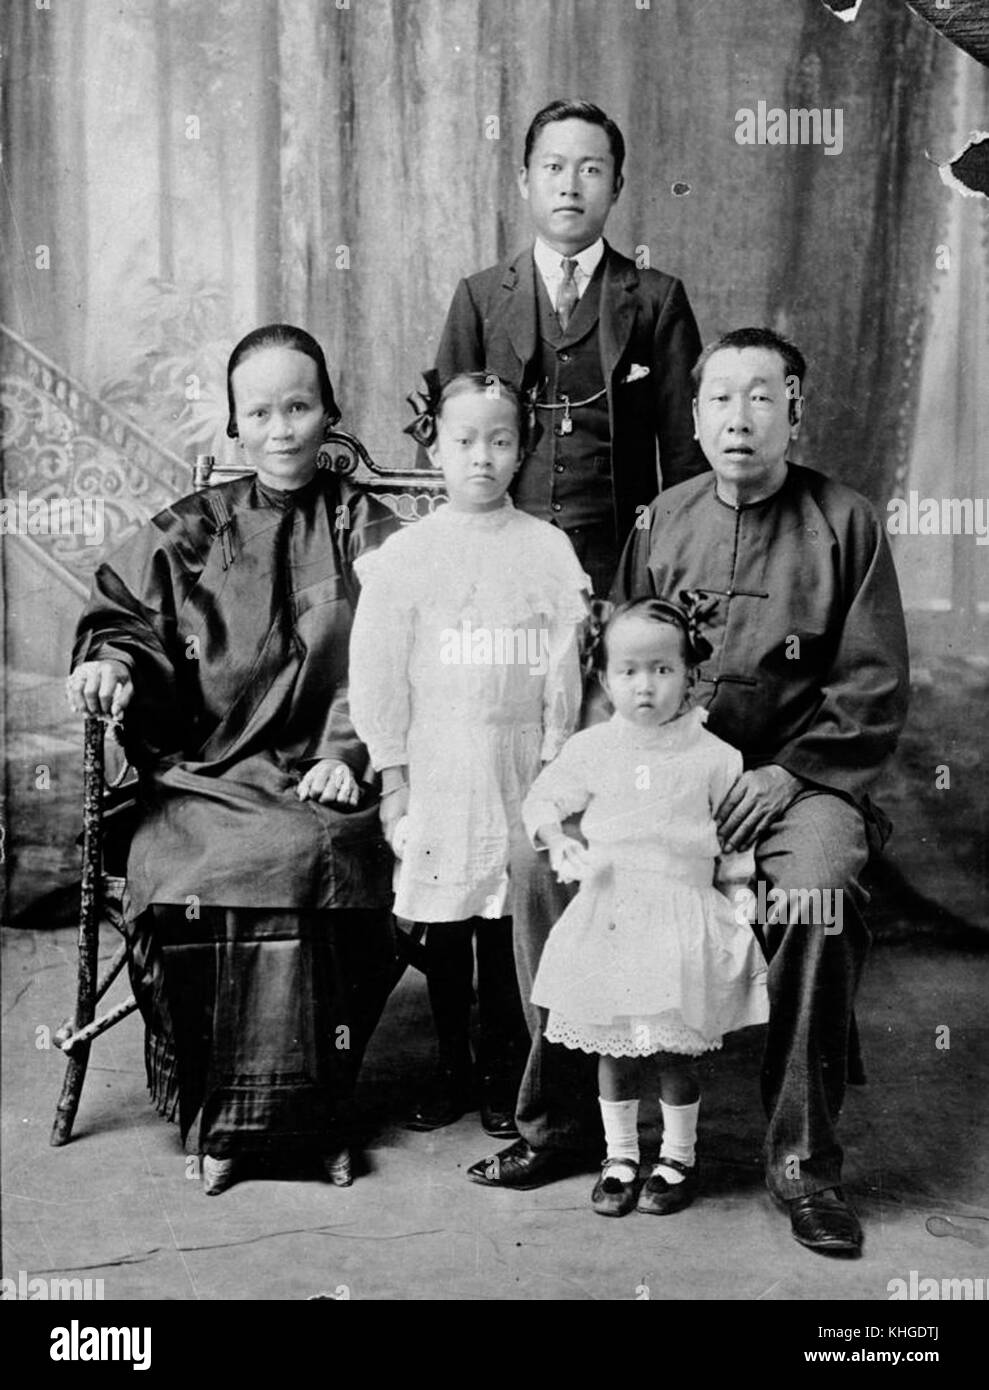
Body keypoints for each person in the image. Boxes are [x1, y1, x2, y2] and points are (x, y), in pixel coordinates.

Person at [67, 324, 399, 1195]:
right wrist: (110, 664)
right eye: (261, 411)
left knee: (317, 854)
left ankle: (310, 1117)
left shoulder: (369, 527)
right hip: (201, 779)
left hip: (334, 776)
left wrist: (349, 751)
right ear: (234, 426)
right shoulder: (188, 531)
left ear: (329, 412)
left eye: (299, 406)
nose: (283, 428)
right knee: (198, 865)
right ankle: (221, 1115)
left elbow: (406, 652)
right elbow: (126, 623)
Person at [606, 326, 910, 1253]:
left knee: (815, 894)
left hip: (801, 775)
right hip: (668, 772)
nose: (739, 418)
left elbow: (871, 684)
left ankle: (802, 1165)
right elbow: (614, 667)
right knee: (546, 868)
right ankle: (569, 1127)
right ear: (693, 416)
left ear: (794, 412)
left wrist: (787, 775)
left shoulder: (845, 521)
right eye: (719, 399)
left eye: (761, 398)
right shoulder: (661, 520)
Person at [348, 373, 589, 1138]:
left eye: (499, 440)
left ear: (522, 450)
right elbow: (380, 670)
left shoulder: (546, 548)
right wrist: (393, 776)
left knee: (505, 919)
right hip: (439, 761)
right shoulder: (408, 555)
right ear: (434, 446)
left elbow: (562, 670)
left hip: (519, 762)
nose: (480, 457)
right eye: (463, 441)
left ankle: (502, 1068)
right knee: (445, 924)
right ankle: (450, 1064)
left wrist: (555, 764)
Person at [523, 597, 768, 1218]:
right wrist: (558, 837)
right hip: (611, 911)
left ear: (690, 675)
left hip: (682, 915)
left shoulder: (716, 757)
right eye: (628, 671)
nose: (645, 685)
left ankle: (679, 1156)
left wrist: (739, 908)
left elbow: (736, 848)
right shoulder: (592, 748)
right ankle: (621, 1155)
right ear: (604, 678)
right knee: (614, 1044)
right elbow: (544, 800)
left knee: (673, 1048)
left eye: (663, 670)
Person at [431, 98, 706, 597]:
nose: (570, 186)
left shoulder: (656, 299)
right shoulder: (480, 297)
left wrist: (668, 568)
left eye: (592, 169)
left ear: (617, 186)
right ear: (524, 179)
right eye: (553, 167)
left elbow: (687, 459)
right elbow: (445, 441)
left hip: (623, 561)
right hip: (499, 562)